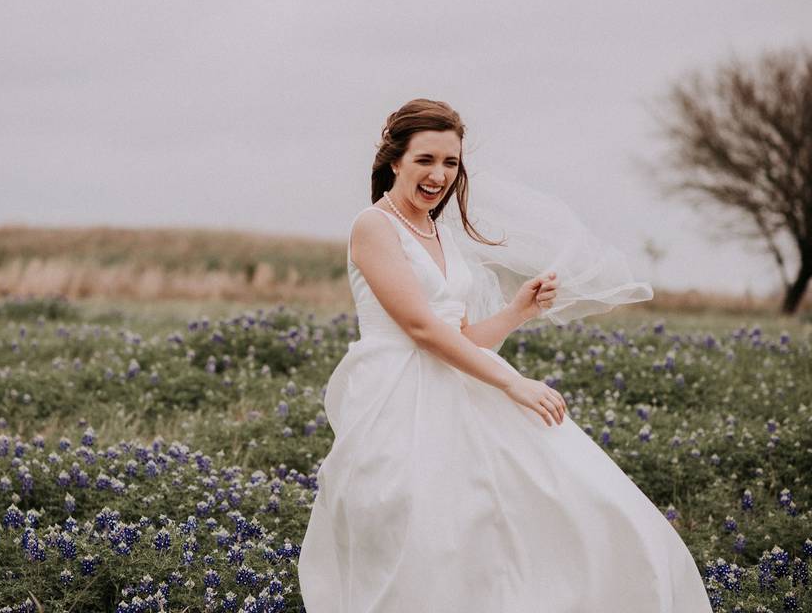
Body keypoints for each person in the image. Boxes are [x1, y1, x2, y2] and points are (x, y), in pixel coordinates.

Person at [296, 98, 713, 612]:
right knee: (417, 529)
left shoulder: (440, 232)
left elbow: (461, 334)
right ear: (395, 161)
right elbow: (422, 329)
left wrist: (519, 311)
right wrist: (512, 384)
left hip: (459, 382)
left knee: (544, 509)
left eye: (450, 162)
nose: (439, 174)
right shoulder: (374, 225)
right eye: (425, 159)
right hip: (397, 394)